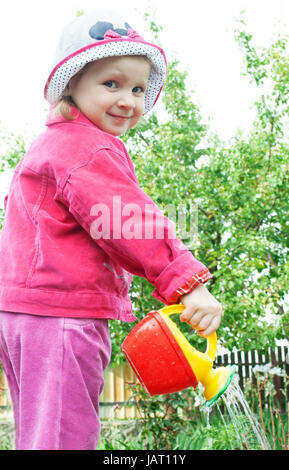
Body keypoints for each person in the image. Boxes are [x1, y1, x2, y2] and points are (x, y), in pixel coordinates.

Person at [0, 10, 222, 450]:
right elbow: (126, 219)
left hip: (27, 314)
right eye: (111, 84)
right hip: (62, 315)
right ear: (71, 86)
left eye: (139, 89)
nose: (129, 100)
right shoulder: (87, 147)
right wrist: (186, 282)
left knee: (42, 434)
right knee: (64, 437)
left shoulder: (50, 146)